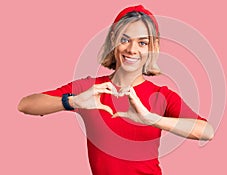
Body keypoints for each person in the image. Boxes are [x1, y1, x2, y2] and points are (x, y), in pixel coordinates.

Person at [18, 5, 214, 175]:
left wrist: (152, 119)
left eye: (142, 43)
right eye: (125, 39)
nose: (132, 49)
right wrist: (72, 101)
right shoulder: (90, 89)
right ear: (113, 40)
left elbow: (206, 131)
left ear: (152, 47)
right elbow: (26, 105)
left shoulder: (161, 96)